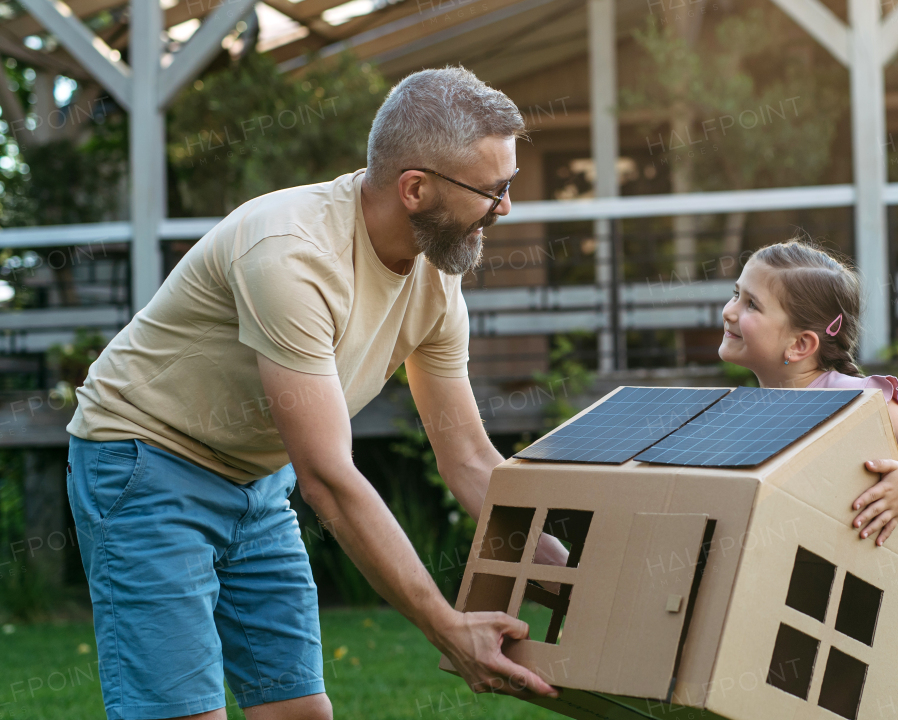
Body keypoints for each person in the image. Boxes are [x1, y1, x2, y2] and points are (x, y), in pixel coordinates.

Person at [64, 66, 563, 720]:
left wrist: (565, 571)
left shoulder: (436, 281)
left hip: (255, 481)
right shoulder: (291, 253)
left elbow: (469, 458)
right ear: (415, 188)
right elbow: (327, 476)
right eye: (493, 190)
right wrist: (445, 625)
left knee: (299, 713)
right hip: (146, 465)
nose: (505, 209)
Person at [718, 238, 898, 720]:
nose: (730, 311)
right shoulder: (748, 410)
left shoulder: (850, 401)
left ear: (800, 344)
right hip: (786, 610)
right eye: (736, 293)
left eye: (751, 303)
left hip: (855, 621)